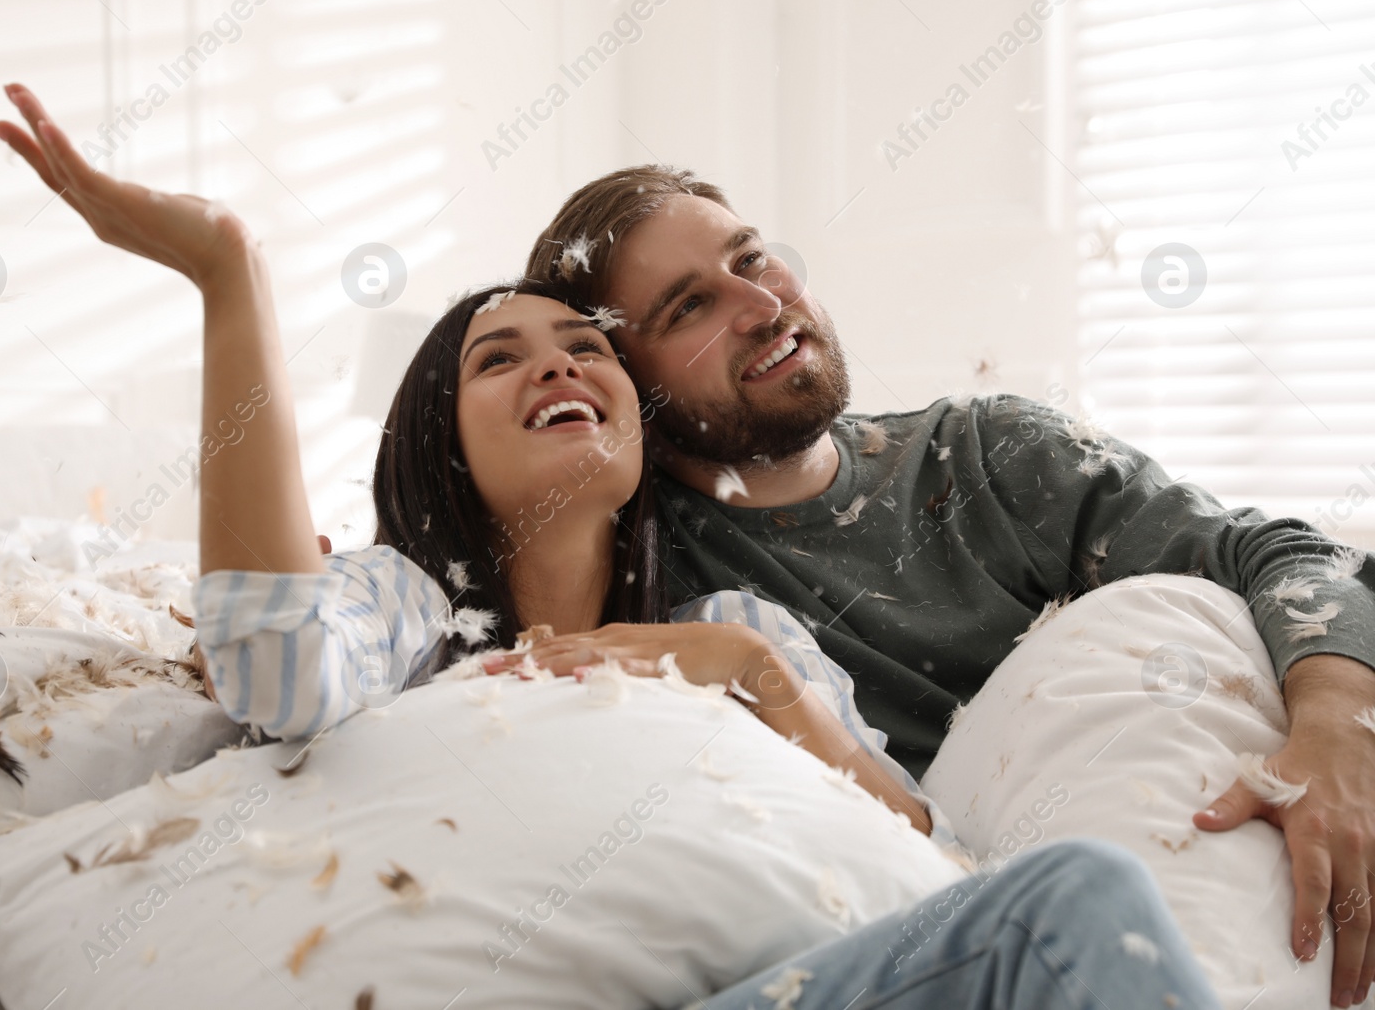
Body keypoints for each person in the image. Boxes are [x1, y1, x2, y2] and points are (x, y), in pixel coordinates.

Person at [0, 84, 1222, 1009]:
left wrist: (764, 685)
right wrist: (228, 269)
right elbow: (272, 664)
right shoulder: (410, 607)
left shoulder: (740, 629)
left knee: (1075, 893)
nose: (556, 364)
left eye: (583, 346)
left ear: (641, 414)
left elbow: (932, 872)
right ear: (440, 443)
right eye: (497, 357)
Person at [523, 164, 1375, 1008]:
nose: (762, 305)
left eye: (750, 259)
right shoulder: (638, 580)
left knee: (1197, 621)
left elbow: (1283, 556)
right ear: (628, 384)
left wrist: (1340, 733)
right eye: (690, 307)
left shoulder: (990, 454)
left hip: (1157, 891)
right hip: (930, 942)